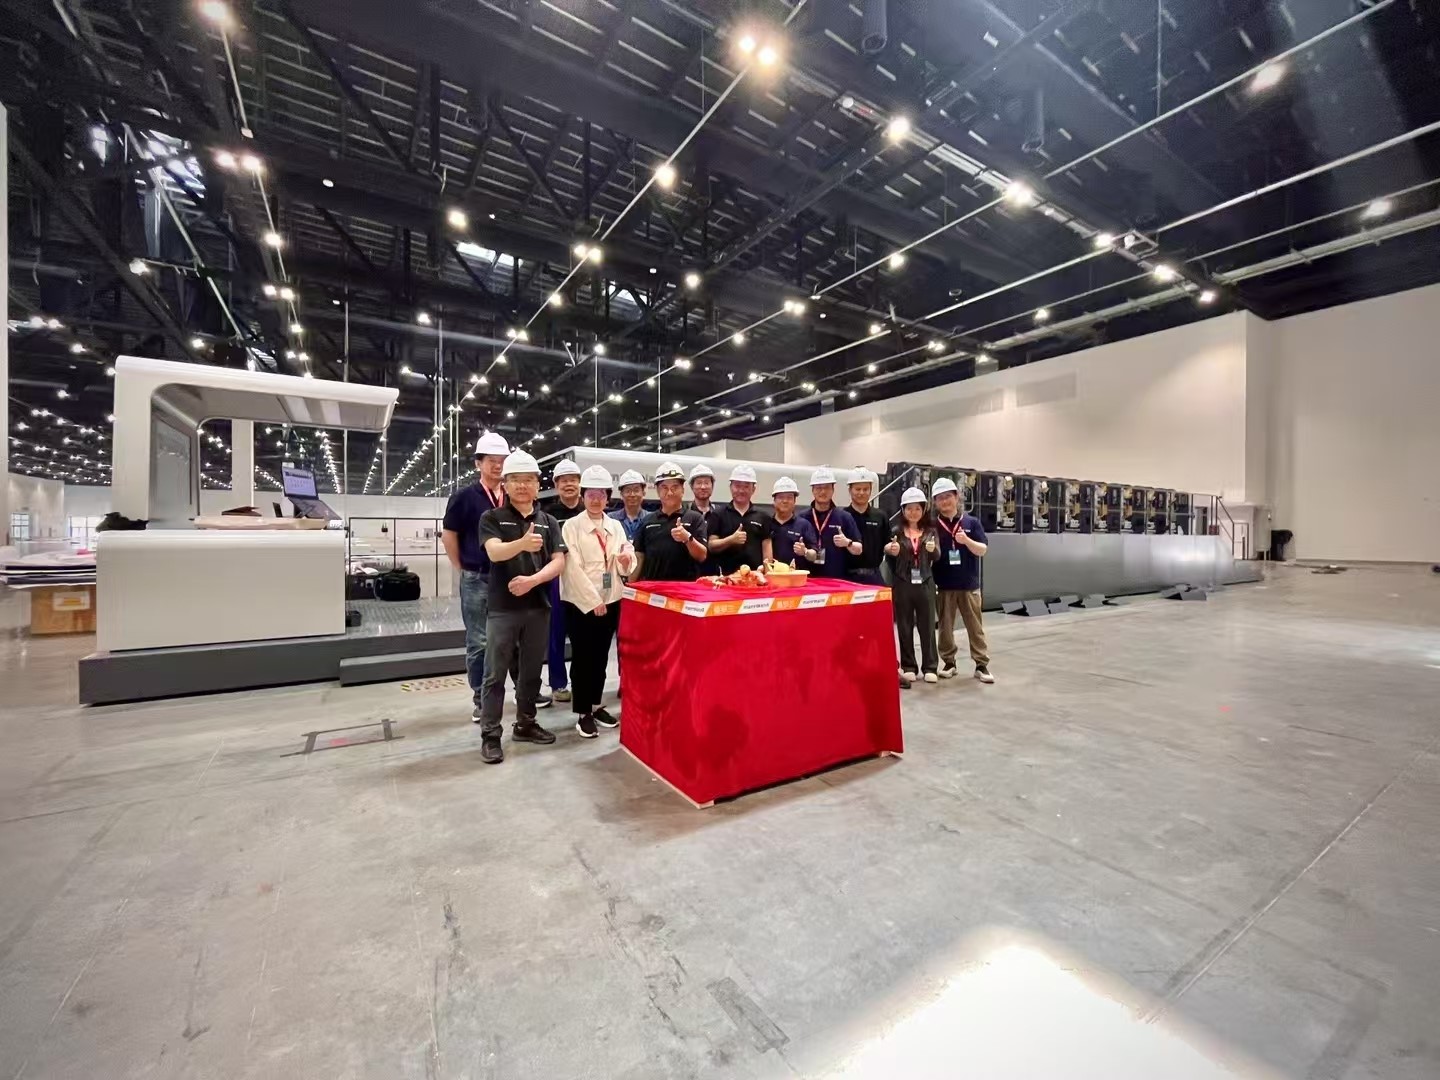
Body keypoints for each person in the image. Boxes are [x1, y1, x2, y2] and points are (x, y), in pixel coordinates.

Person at [441, 431, 548, 725]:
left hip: (511, 577)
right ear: (478, 463)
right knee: (479, 641)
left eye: (502, 460)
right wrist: (462, 567)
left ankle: (524, 693)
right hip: (478, 577)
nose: (498, 466)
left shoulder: (512, 498)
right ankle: (481, 698)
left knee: (516, 639)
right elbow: (449, 535)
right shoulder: (464, 498)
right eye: (491, 460)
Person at [476, 451, 568, 764]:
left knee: (530, 671)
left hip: (538, 607)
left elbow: (558, 561)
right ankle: (490, 735)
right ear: (505, 484)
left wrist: (532, 580)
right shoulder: (491, 518)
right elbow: (494, 553)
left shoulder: (548, 522)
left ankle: (525, 724)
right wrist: (522, 544)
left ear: (537, 485)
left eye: (528, 480)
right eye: (515, 480)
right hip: (502, 608)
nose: (522, 485)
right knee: (495, 674)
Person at [560, 466, 636, 738]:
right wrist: (593, 601)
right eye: (590, 494)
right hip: (581, 604)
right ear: (583, 496)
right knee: (583, 658)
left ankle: (595, 703)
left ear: (607, 498)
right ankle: (583, 712)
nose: (595, 499)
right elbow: (571, 568)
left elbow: (626, 554)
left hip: (611, 599)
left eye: (601, 494)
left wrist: (627, 561)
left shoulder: (615, 526)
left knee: (602, 656)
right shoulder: (572, 526)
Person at [932, 476, 994, 683]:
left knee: (975, 627)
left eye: (948, 496)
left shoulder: (971, 522)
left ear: (957, 497)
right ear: (935, 502)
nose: (944, 501)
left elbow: (982, 550)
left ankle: (981, 665)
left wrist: (966, 540)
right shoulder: (933, 526)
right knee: (945, 628)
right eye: (940, 498)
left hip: (969, 586)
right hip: (944, 585)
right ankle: (949, 663)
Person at [886, 486, 940, 683]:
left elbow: (937, 556)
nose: (913, 512)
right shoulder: (896, 532)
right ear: (903, 510)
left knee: (927, 626)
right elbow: (890, 561)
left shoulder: (931, 532)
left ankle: (930, 666)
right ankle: (909, 665)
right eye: (909, 508)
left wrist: (933, 550)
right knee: (904, 625)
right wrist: (892, 551)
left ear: (923, 509)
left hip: (925, 582)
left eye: (917, 508)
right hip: (903, 583)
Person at [543, 459, 584, 703]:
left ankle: (582, 681)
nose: (569, 484)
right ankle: (558, 683)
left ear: (580, 483)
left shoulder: (589, 510)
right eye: (564, 481)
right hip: (557, 579)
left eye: (573, 480)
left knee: (583, 634)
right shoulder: (547, 514)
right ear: (556, 485)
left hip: (585, 579)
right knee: (556, 633)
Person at [631, 462, 709, 582]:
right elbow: (639, 556)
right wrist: (629, 585)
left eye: (674, 487)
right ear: (657, 490)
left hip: (684, 589)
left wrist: (687, 538)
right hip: (653, 589)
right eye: (664, 488)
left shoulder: (695, 518)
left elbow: (702, 556)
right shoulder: (647, 521)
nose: (669, 493)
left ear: (683, 490)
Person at [709, 464, 773, 574]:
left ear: (753, 489)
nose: (741, 490)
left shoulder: (763, 516)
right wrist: (731, 540)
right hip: (726, 577)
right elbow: (711, 545)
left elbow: (767, 548)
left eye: (746, 487)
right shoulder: (718, 514)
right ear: (731, 487)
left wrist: (767, 573)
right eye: (737, 486)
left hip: (755, 576)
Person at [807, 466, 863, 579]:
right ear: (812, 490)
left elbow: (859, 549)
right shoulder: (803, 518)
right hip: (808, 580)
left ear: (833, 490)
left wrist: (847, 543)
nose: (823, 491)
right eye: (818, 488)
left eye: (827, 487)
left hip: (837, 580)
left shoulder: (844, 517)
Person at [844, 466, 889, 584]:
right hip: (847, 577)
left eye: (865, 489)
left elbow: (887, 543)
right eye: (857, 489)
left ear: (871, 490)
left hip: (874, 577)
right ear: (850, 490)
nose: (861, 493)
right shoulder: (841, 516)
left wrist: (893, 548)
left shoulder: (880, 516)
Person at [767, 477, 823, 567]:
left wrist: (805, 551)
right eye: (781, 497)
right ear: (774, 500)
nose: (785, 501)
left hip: (797, 575)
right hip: (771, 574)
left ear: (794, 501)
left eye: (789, 497)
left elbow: (815, 556)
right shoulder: (766, 523)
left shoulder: (804, 525)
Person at [688, 463, 721, 575]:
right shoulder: (684, 513)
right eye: (699, 483)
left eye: (706, 483)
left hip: (715, 574)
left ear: (712, 486)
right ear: (692, 486)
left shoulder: (720, 513)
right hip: (690, 573)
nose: (703, 487)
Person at [610, 469, 648, 544]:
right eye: (628, 491)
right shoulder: (611, 519)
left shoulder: (650, 519)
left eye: (636, 490)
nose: (632, 495)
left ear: (643, 493)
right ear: (621, 495)